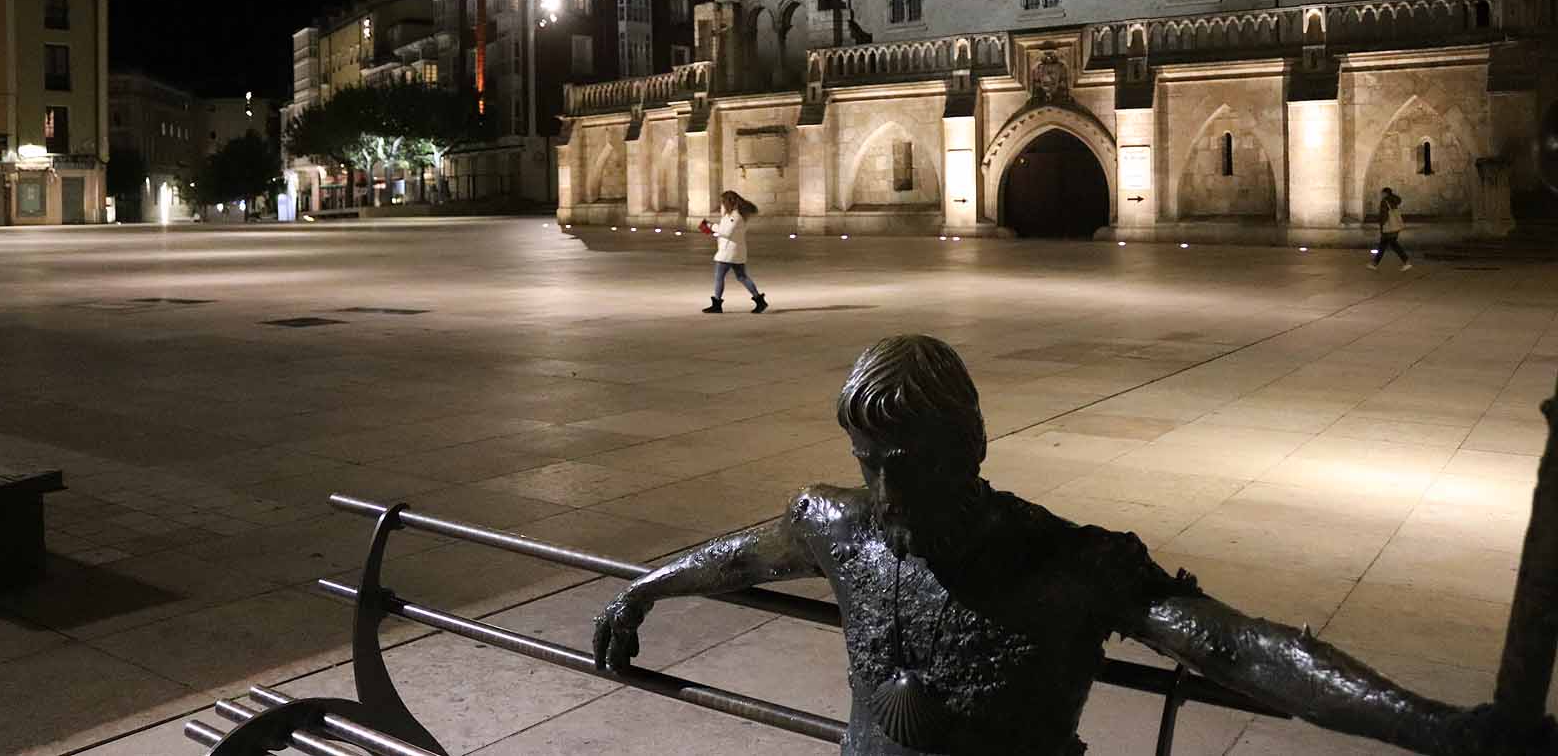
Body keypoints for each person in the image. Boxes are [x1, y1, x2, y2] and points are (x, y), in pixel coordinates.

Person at [595, 335, 1550, 756]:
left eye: (909, 467)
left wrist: (1434, 725)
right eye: (869, 463)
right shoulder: (842, 527)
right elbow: (739, 556)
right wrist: (643, 589)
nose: (885, 495)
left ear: (968, 449)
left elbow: (1242, 647)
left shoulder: (1068, 564)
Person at [701, 189, 766, 314]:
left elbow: (726, 232)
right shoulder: (733, 215)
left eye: (723, 202)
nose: (722, 205)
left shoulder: (735, 216)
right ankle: (759, 300)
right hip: (734, 252)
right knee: (742, 277)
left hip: (728, 253)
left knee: (719, 277)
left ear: (728, 202)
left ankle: (717, 304)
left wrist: (710, 226)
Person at [1370, 187, 1413, 271]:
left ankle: (1406, 262)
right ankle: (1374, 263)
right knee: (1383, 246)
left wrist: (1381, 223)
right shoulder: (1393, 200)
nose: (1381, 195)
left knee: (1393, 245)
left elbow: (1384, 216)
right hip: (1394, 227)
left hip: (1388, 228)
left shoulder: (1384, 202)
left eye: (1382, 193)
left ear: (1385, 193)